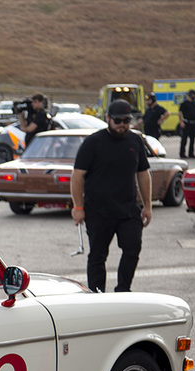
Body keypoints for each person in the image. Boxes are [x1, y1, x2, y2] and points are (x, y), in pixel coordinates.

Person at [70, 99, 152, 293]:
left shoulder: (135, 141)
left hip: (128, 210)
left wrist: (147, 205)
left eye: (126, 120)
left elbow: (143, 174)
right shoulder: (93, 142)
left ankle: (123, 290)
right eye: (118, 121)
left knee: (132, 249)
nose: (122, 125)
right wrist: (78, 207)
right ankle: (97, 296)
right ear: (108, 119)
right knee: (98, 256)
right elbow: (77, 176)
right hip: (98, 211)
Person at [178, 89, 195, 158]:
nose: (194, 96)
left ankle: (191, 153)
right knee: (184, 139)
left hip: (193, 123)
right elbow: (180, 113)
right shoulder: (184, 104)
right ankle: (182, 153)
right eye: (193, 95)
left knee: (192, 139)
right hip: (186, 122)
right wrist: (181, 122)